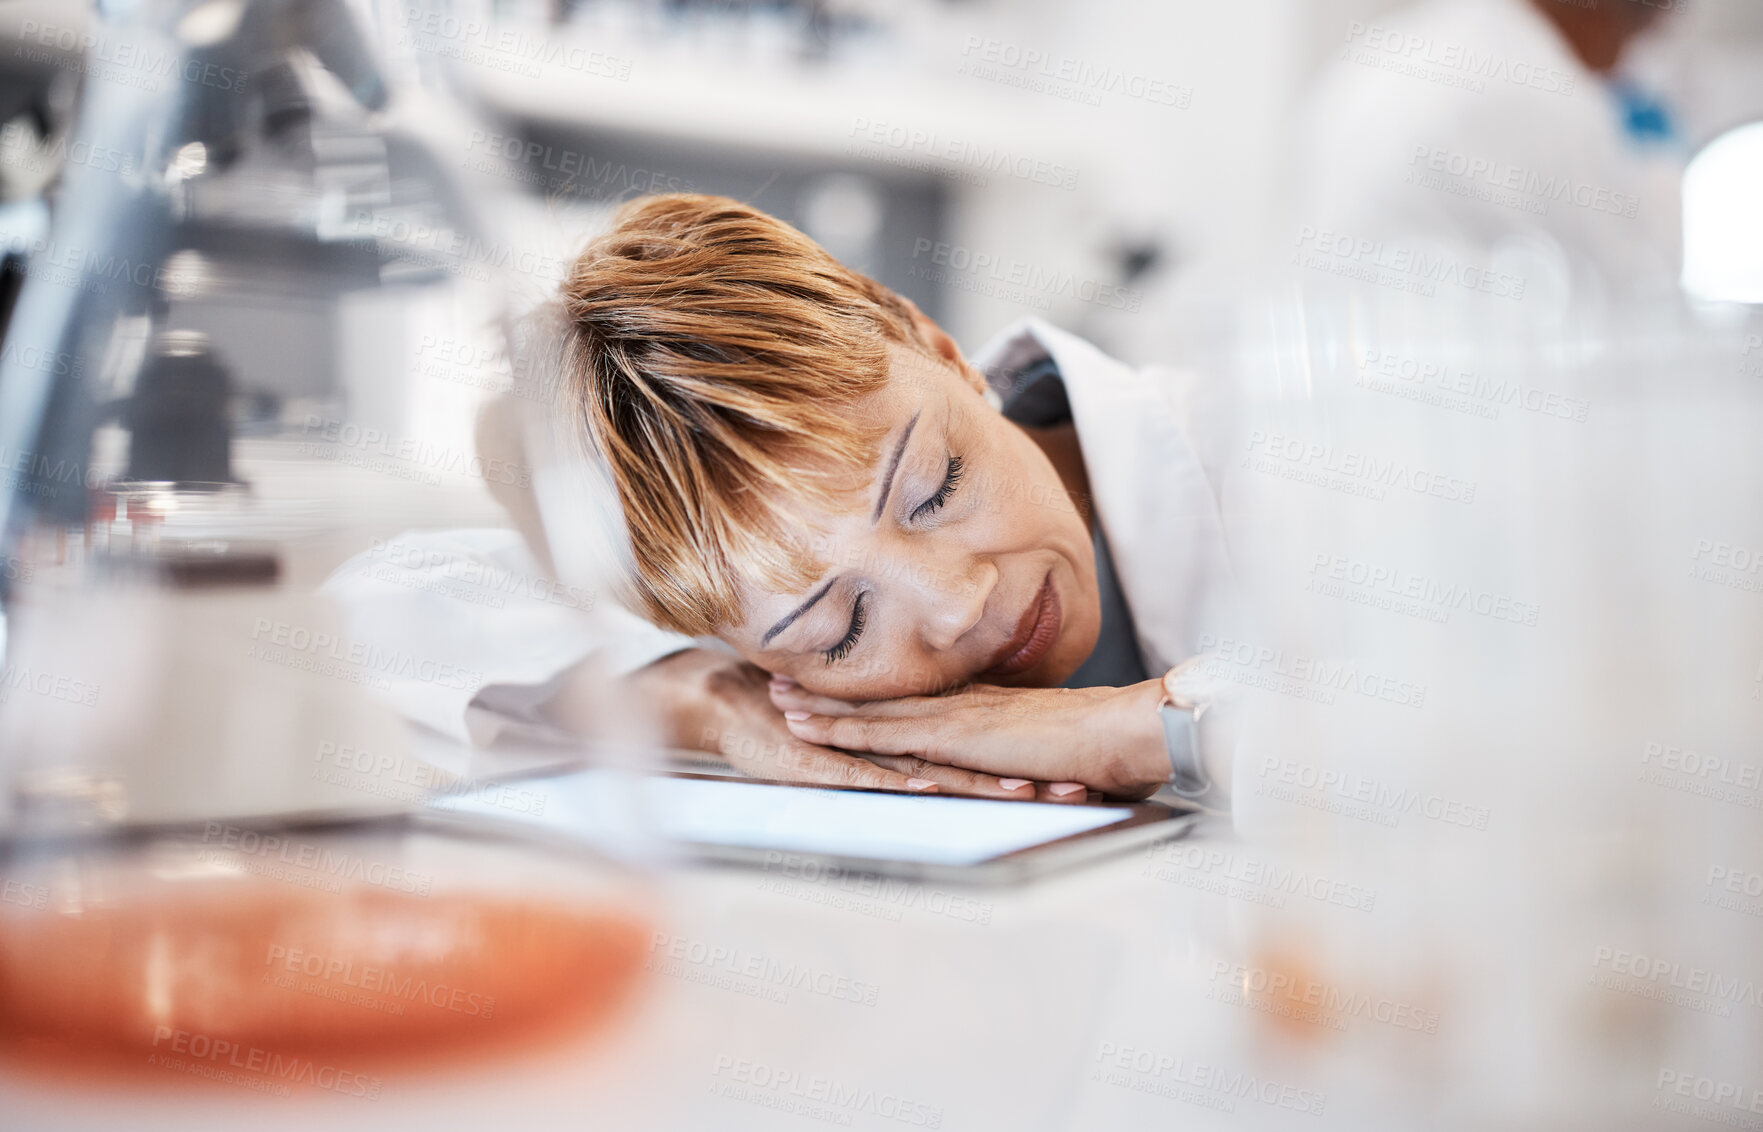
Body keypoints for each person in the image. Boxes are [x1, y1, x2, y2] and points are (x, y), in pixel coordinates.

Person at [321, 194, 1236, 806]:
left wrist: (1150, 728)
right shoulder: (732, 647)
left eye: (936, 487)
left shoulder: (1260, 446)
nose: (958, 603)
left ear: (935, 343)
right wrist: (712, 702)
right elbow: (357, 625)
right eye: (839, 629)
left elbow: (1381, 726)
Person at [1295, 0, 1685, 299]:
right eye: (1634, 42)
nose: (1621, 70)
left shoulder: (1391, 54)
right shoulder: (1545, 96)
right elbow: (1634, 296)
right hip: (1440, 369)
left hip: (1344, 366)